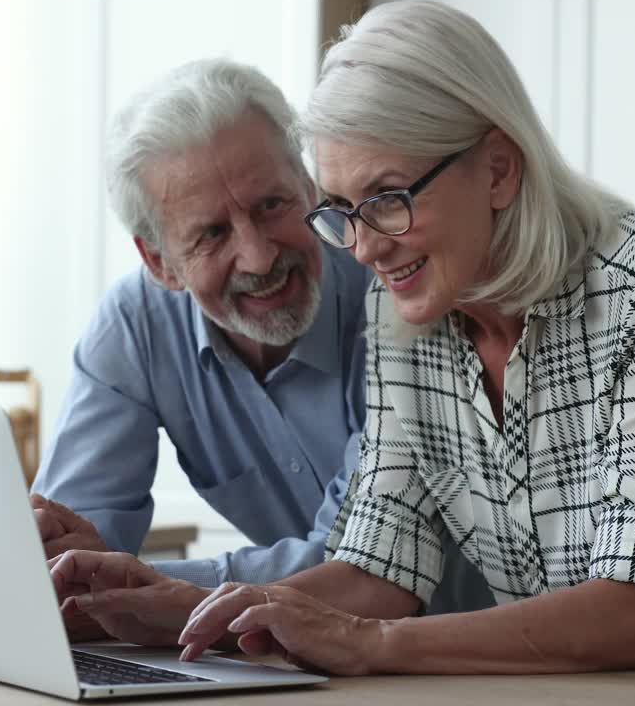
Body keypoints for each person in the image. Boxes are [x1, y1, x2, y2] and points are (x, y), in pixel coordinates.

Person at [50, 0, 635, 672]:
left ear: (497, 168)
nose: (364, 246)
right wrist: (188, 608)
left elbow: (634, 610)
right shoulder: (408, 319)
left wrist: (369, 643)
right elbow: (376, 565)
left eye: (389, 198)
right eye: (343, 212)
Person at [30, 58, 491, 631]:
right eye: (212, 234)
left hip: (470, 654)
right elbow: (67, 558)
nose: (260, 256)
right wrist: (83, 574)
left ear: (308, 185)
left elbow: (359, 561)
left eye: (272, 205)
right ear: (159, 262)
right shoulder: (136, 326)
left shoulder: (400, 295)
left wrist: (158, 591)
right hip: (298, 659)